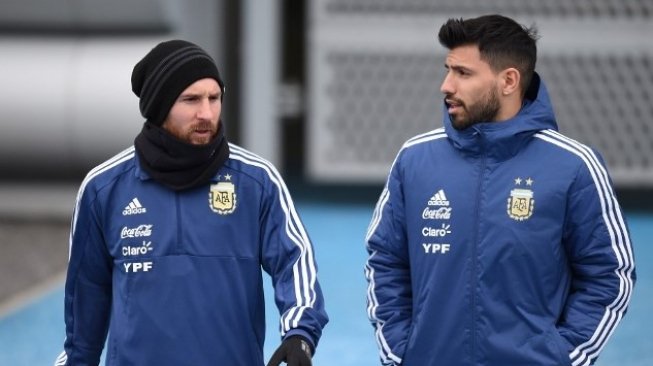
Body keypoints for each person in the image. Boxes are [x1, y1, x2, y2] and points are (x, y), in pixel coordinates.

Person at [364, 14, 635, 366]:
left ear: (509, 81)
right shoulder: (414, 158)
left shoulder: (574, 166)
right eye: (448, 70)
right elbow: (385, 260)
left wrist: (562, 357)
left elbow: (609, 273)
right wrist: (401, 352)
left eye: (463, 73)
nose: (446, 86)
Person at [54, 39, 328, 366]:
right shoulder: (104, 188)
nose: (206, 113)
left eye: (214, 98)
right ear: (159, 106)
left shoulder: (257, 181)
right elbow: (86, 296)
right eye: (191, 100)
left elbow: (294, 261)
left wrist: (299, 332)